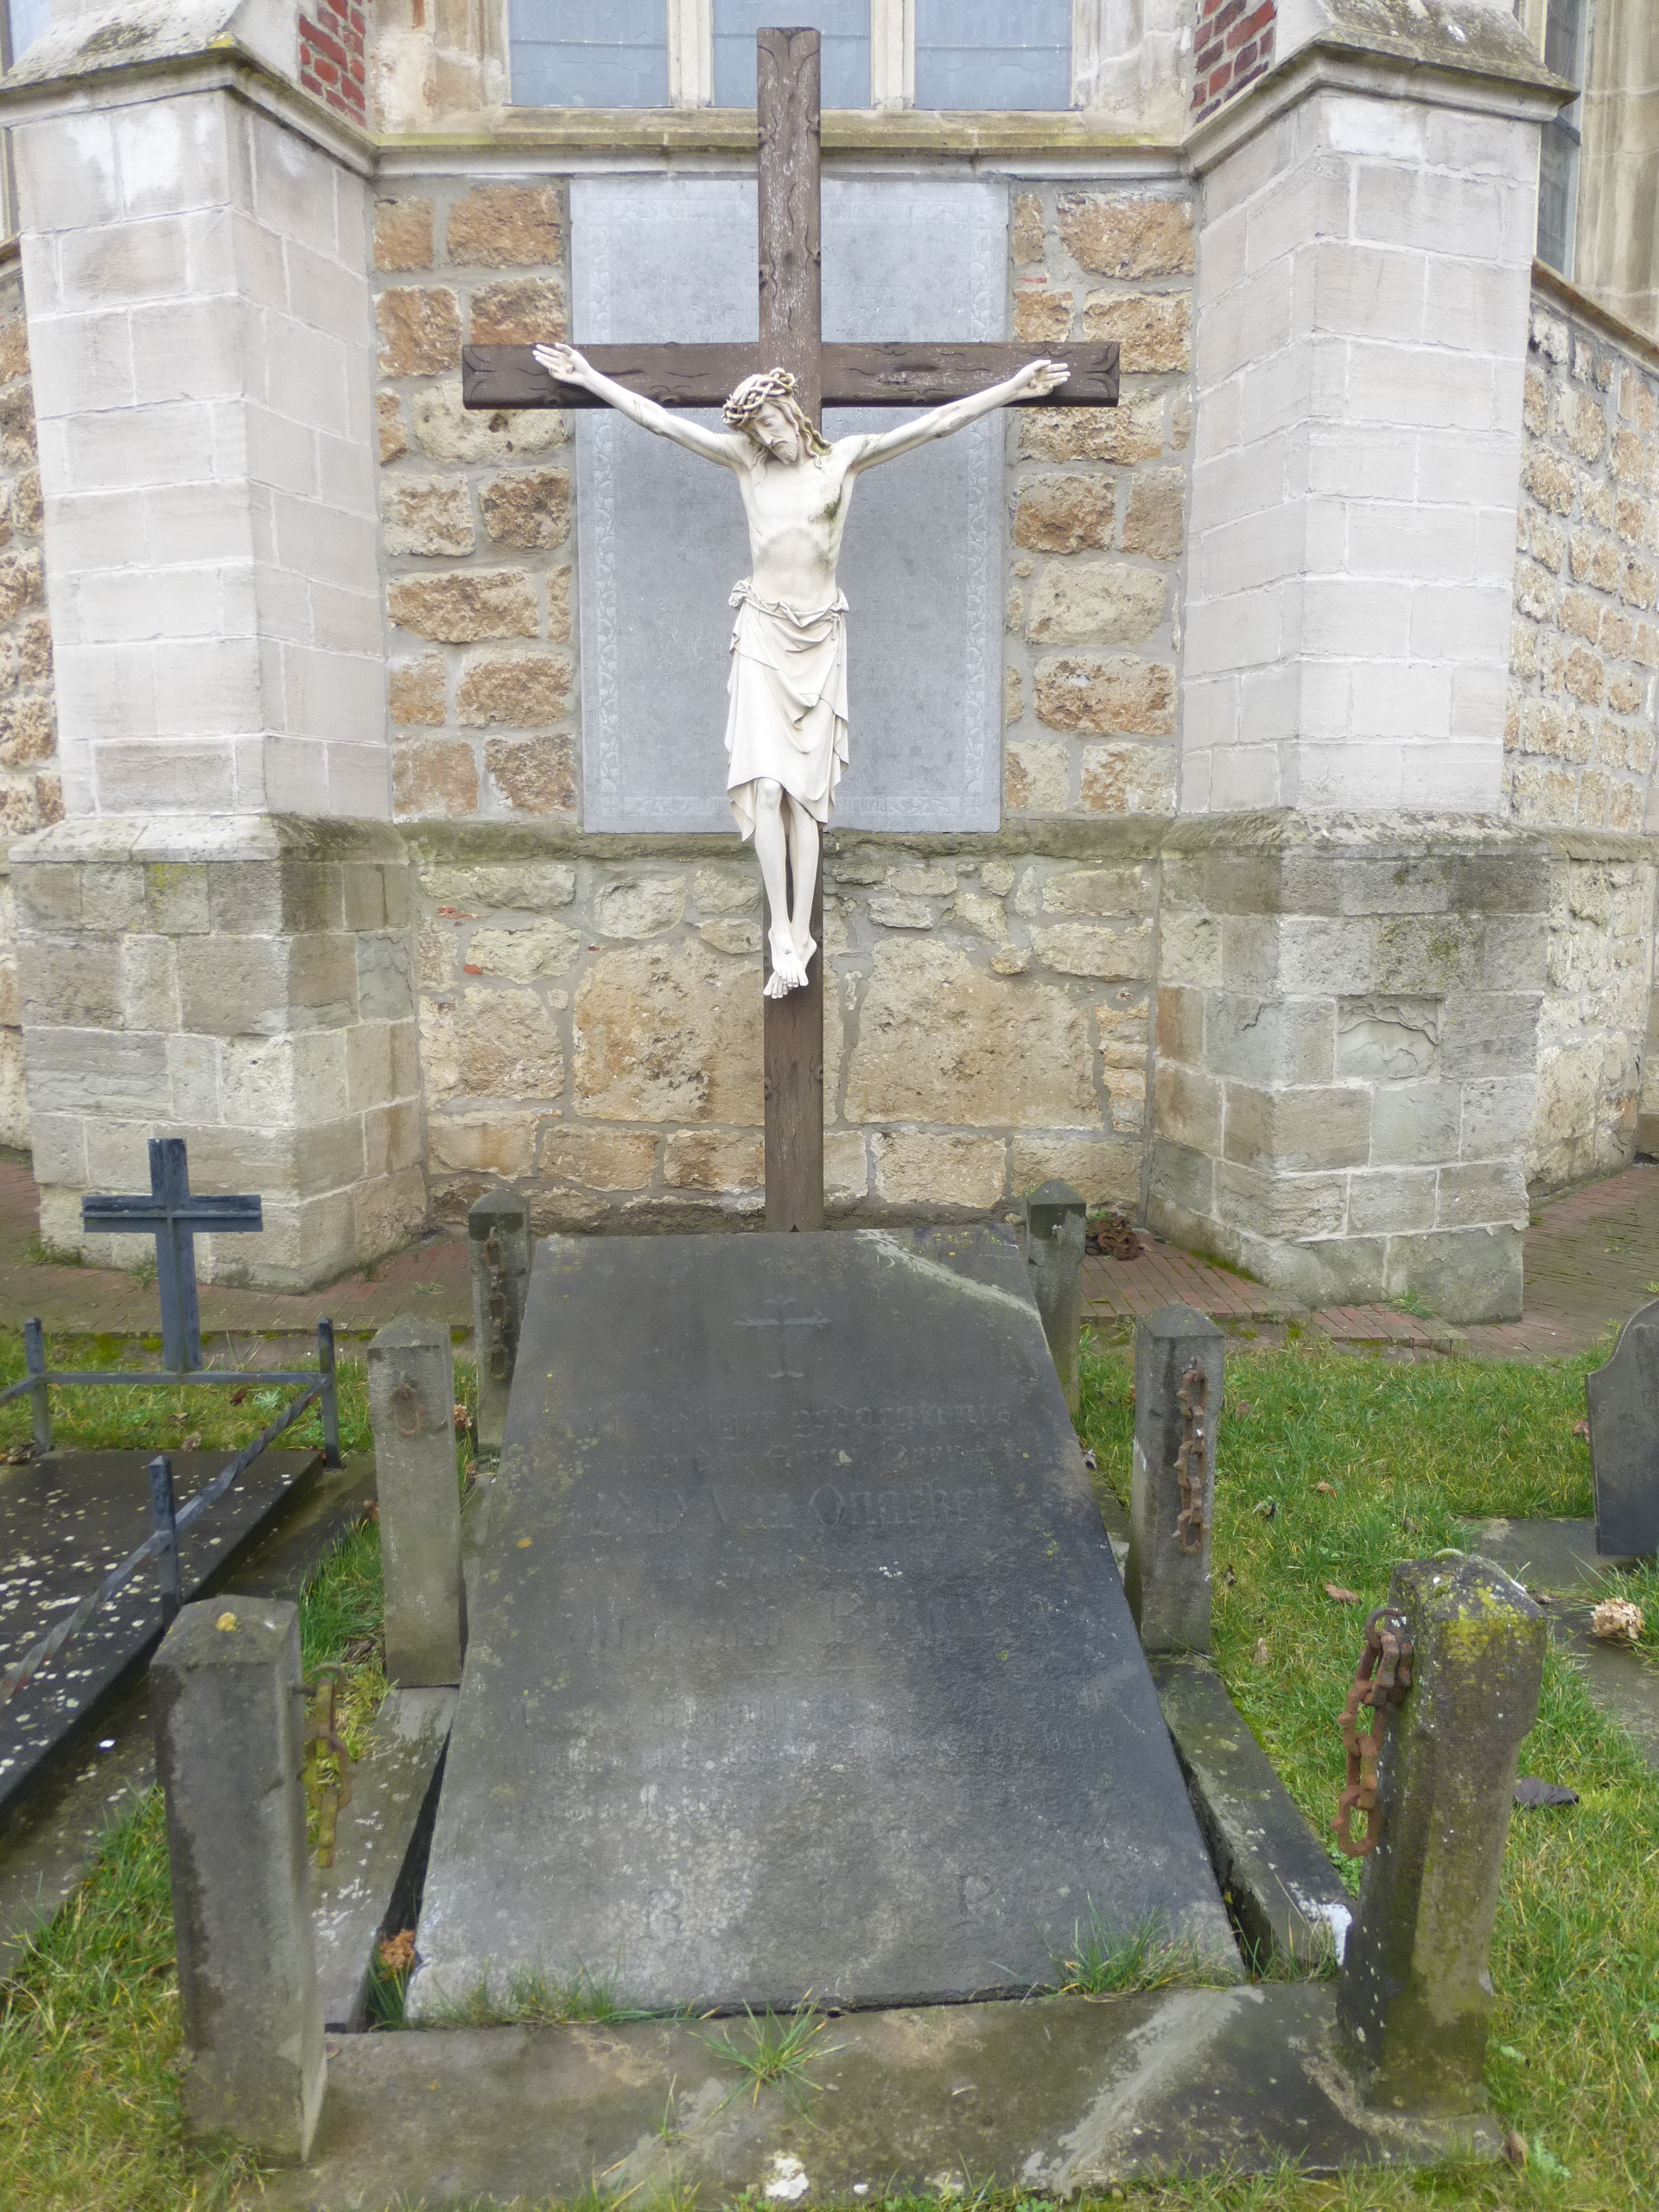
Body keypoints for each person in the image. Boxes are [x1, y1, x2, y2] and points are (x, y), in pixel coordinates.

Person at [533, 342, 1070, 995]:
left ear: (791, 411)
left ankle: (801, 931)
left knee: (807, 800)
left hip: (819, 639)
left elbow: (936, 424)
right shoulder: (746, 465)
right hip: (762, 630)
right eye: (756, 430)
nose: (768, 437)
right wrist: (591, 378)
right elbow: (661, 422)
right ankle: (780, 935)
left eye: (771, 422)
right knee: (766, 788)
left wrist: (1011, 389)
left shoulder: (843, 460)